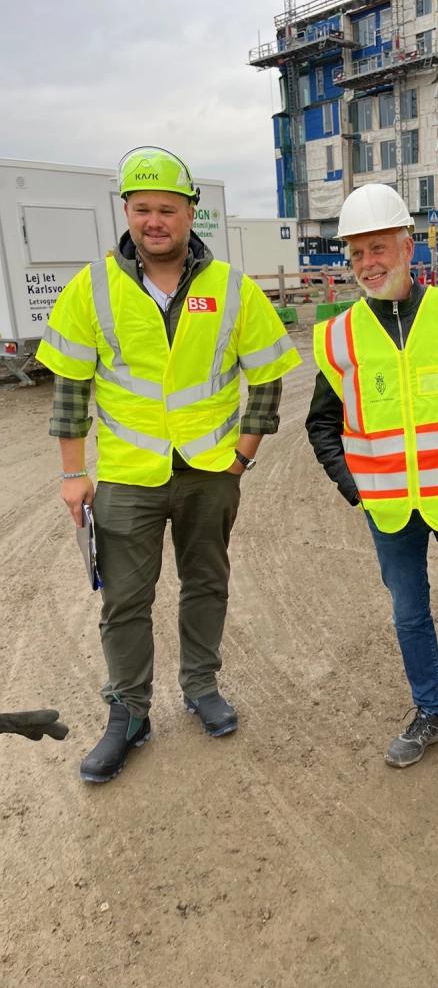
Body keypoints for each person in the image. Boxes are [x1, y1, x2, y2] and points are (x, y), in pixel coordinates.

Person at [36, 146, 301, 783]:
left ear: (191, 214)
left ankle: (201, 686)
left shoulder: (231, 289)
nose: (155, 221)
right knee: (125, 599)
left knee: (206, 583)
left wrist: (242, 456)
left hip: (211, 473)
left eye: (168, 209)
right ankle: (128, 713)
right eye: (142, 208)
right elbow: (71, 388)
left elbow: (268, 376)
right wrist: (74, 474)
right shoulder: (91, 288)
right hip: (127, 477)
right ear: (126, 212)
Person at [306, 184, 438, 768]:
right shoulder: (340, 336)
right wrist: (356, 489)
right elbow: (321, 425)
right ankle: (431, 710)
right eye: (357, 254)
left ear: (407, 245)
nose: (368, 263)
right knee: (409, 613)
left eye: (379, 248)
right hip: (389, 509)